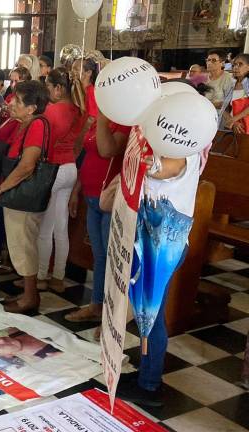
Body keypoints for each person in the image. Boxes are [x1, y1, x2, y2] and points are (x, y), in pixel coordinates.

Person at [110, 127, 199, 409]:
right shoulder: (171, 143)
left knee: (152, 314)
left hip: (162, 248)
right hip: (152, 241)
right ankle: (145, 373)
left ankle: (149, 385)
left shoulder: (185, 146)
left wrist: (142, 163)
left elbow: (165, 169)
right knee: (145, 312)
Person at [0, 80, 50, 313]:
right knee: (20, 244)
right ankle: (27, 293)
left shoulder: (37, 126)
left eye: (18, 101)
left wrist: (0, 190)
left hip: (23, 196)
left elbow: (26, 166)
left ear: (32, 108)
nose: (11, 103)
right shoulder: (25, 124)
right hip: (17, 193)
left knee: (24, 245)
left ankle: (30, 297)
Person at [64, 111, 131, 325]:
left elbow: (106, 150)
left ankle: (110, 315)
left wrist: (102, 119)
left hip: (109, 200)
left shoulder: (125, 123)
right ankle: (97, 304)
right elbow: (84, 154)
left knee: (111, 257)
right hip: (91, 196)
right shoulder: (101, 121)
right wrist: (76, 191)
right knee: (99, 255)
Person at [37, 68, 80, 292]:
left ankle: (41, 276)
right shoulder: (78, 109)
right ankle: (58, 277)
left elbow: (44, 140)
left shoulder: (52, 110)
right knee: (60, 227)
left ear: (59, 88)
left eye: (48, 86)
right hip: (70, 167)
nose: (46, 91)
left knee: (45, 227)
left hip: (54, 168)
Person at [218, 53, 249, 133]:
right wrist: (233, 122)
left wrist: (234, 119)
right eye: (234, 65)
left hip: (245, 127)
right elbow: (224, 108)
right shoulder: (231, 84)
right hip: (231, 127)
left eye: (240, 64)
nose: (235, 67)